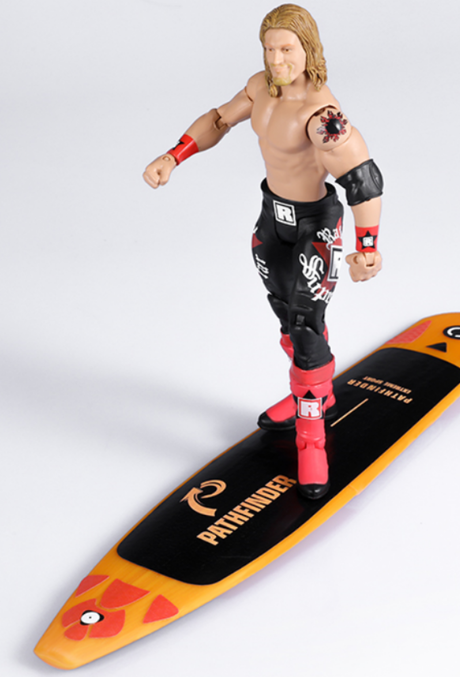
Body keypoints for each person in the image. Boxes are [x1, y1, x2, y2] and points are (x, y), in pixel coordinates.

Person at [143, 4, 383, 500]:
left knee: (306, 325)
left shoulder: (322, 115)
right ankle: (315, 393)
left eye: (287, 49)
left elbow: (362, 178)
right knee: (286, 317)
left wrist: (367, 248)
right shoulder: (259, 88)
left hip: (315, 226)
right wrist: (173, 156)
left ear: (308, 49)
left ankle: (311, 436)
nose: (277, 60)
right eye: (269, 49)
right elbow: (217, 120)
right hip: (272, 219)